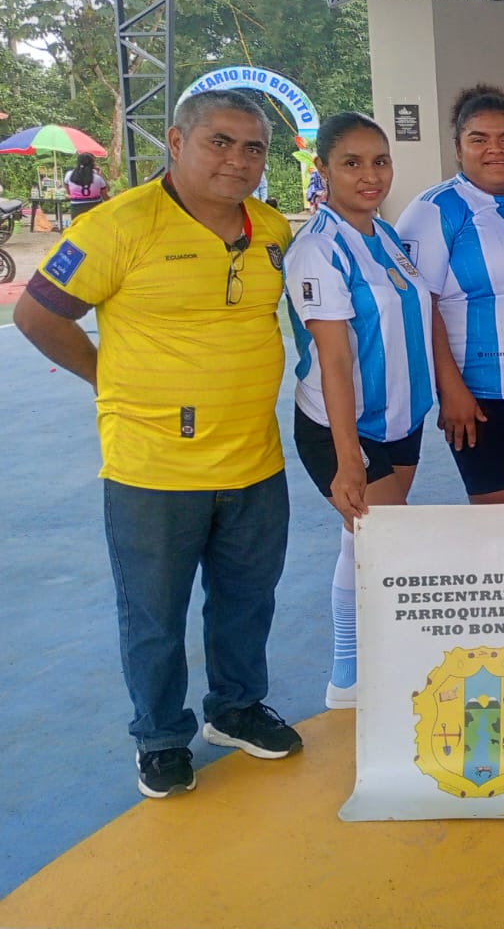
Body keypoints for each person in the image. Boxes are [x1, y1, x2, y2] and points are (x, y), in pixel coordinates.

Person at [14, 88, 302, 799]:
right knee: (154, 614)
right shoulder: (118, 225)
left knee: (247, 600)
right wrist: (106, 380)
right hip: (153, 469)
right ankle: (161, 736)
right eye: (219, 142)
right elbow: (37, 316)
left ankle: (236, 709)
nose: (238, 160)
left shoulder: (271, 228)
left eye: (253, 147)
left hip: (255, 459)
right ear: (176, 143)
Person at [285, 113, 434, 709]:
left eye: (380, 161)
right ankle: (352, 673)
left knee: (364, 544)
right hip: (342, 427)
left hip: (400, 419)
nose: (370, 176)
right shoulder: (318, 249)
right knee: (388, 545)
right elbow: (335, 359)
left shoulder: (386, 236)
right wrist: (348, 459)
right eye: (352, 163)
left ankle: (355, 671)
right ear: (322, 169)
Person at [395, 84, 504, 505]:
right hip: (482, 395)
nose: (496, 149)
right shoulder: (434, 209)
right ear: (458, 149)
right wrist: (450, 388)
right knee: (499, 517)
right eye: (479, 139)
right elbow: (419, 307)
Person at [65, 152, 109, 219]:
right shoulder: (97, 178)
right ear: (92, 164)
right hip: (95, 208)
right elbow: (106, 194)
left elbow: (69, 192)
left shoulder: (69, 175)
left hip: (76, 208)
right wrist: (100, 174)